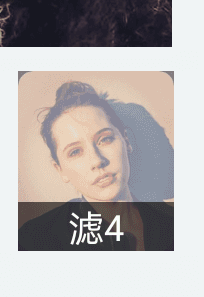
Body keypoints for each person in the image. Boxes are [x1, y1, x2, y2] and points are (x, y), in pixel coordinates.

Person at [18, 80, 173, 251]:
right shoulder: (35, 240)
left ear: (126, 141)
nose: (97, 161)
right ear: (60, 169)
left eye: (105, 139)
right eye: (75, 152)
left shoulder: (172, 225)